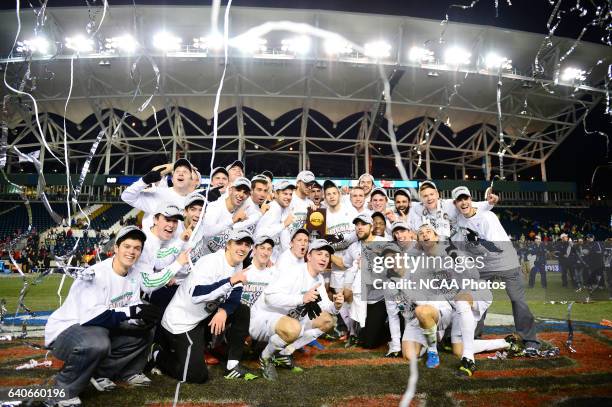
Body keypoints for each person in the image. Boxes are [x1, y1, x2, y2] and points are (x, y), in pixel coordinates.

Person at [44, 226, 160, 406]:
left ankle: (111, 373)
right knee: (97, 343)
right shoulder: (95, 273)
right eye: (127, 246)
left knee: (145, 327)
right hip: (68, 330)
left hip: (99, 329)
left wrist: (142, 316)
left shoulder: (134, 275)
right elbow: (92, 317)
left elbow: (132, 307)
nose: (132, 252)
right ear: (116, 248)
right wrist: (132, 311)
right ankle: (60, 393)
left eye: (137, 248)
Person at [154, 229, 255, 383]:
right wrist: (230, 281)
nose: (242, 248)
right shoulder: (210, 262)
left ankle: (232, 365)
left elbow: (235, 294)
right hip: (181, 322)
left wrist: (224, 311)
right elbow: (196, 295)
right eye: (238, 243)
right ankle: (156, 353)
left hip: (203, 316)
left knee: (242, 310)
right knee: (197, 376)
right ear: (228, 245)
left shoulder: (238, 263)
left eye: (247, 244)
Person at [452, 186, 540, 353]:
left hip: (505, 261)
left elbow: (494, 248)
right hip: (484, 266)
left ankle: (530, 339)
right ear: (456, 203)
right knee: (477, 299)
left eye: (466, 198)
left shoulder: (487, 217)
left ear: (470, 199)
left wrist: (475, 243)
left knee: (517, 300)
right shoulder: (460, 219)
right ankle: (473, 336)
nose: (463, 202)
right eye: (459, 200)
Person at [254, 239, 344, 379]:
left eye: (327, 255)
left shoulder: (318, 278)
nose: (324, 258)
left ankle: (284, 353)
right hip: (263, 318)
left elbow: (326, 307)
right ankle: (265, 358)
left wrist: (336, 306)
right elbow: (269, 297)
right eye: (319, 254)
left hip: (289, 319)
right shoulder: (293, 272)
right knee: (294, 327)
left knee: (328, 320)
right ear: (308, 256)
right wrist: (301, 299)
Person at [408, 181, 498, 240]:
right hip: (438, 249)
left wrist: (489, 203)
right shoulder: (418, 208)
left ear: (437, 194)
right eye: (425, 196)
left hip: (458, 245)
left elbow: (473, 205)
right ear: (421, 199)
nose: (429, 198)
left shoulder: (449, 205)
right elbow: (402, 206)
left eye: (431, 194)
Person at [121, 159, 194, 232]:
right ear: (172, 179)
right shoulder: (158, 193)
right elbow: (127, 197)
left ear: (191, 180)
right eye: (177, 171)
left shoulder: (196, 202)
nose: (180, 174)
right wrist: (144, 181)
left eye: (185, 172)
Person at [200, 177, 252, 254]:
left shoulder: (241, 211)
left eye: (245, 192)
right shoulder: (215, 206)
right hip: (203, 257)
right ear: (230, 190)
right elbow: (206, 233)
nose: (241, 194)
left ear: (248, 196)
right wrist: (232, 220)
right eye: (238, 190)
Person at [255, 180, 296, 260]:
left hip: (275, 259)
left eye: (290, 194)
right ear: (276, 194)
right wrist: (284, 224)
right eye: (285, 194)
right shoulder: (273, 209)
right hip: (265, 259)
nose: (288, 197)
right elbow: (260, 235)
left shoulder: (283, 208)